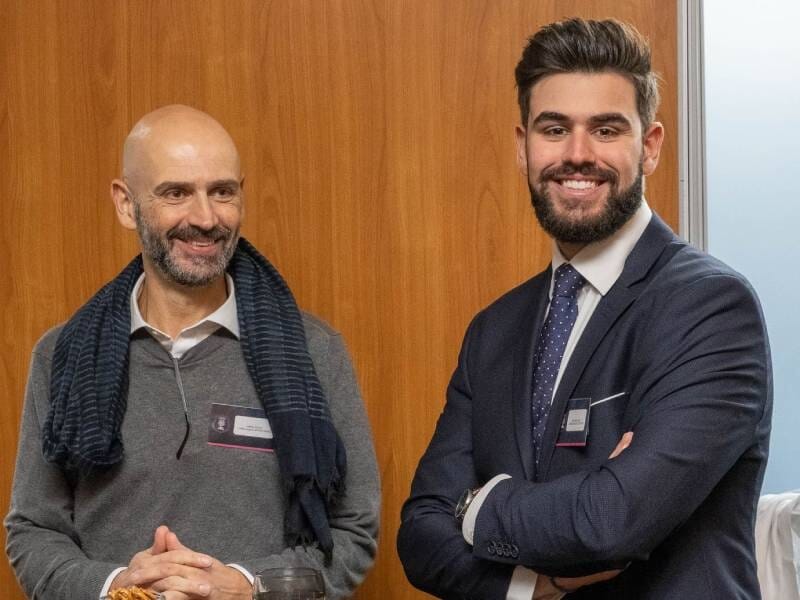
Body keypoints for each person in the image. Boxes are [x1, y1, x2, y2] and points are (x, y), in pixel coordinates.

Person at [398, 18, 771, 599]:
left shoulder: (711, 308)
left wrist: (473, 505)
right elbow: (420, 536)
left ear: (649, 147)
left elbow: (610, 522)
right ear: (523, 147)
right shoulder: (494, 330)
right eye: (554, 128)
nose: (577, 155)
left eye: (605, 129)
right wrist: (531, 585)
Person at [5, 105, 380, 600]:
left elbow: (352, 529)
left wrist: (248, 588)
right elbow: (34, 530)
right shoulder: (62, 356)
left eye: (222, 192)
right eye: (176, 193)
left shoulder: (315, 351)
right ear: (125, 203)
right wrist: (119, 587)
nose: (205, 218)